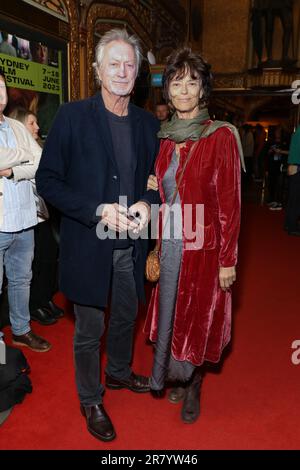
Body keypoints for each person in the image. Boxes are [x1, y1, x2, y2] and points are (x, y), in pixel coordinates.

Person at [36, 29, 160, 442]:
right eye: (114, 64)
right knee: (91, 328)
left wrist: (145, 202)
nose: (122, 72)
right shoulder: (72, 116)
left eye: (129, 65)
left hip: (131, 242)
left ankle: (120, 373)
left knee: (126, 314)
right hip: (89, 242)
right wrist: (97, 209)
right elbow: (47, 181)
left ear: (138, 72)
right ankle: (90, 398)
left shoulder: (146, 123)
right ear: (97, 70)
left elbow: (154, 181)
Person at [144, 48, 243, 424]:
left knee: (197, 317)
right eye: (176, 81)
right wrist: (156, 182)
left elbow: (230, 204)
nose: (183, 90)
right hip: (169, 240)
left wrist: (228, 260)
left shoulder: (220, 136)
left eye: (192, 82)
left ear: (203, 90)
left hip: (204, 247)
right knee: (171, 311)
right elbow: (168, 184)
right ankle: (173, 374)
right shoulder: (166, 137)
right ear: (166, 89)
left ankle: (193, 382)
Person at [0, 70, 50, 352]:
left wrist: (12, 169)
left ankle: (21, 330)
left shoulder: (17, 127)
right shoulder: (22, 137)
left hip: (24, 219)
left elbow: (40, 161)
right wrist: (24, 154)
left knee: (22, 279)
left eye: (2, 85)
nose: (0, 91)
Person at [9, 107, 63, 325]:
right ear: (20, 125)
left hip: (43, 214)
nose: (38, 127)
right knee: (33, 264)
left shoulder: (39, 148)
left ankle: (44, 299)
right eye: (32, 123)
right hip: (25, 217)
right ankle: (34, 306)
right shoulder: (14, 151)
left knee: (49, 259)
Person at [285, 125, 300, 235]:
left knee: (293, 198)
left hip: (294, 165)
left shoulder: (298, 130)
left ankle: (289, 224)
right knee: (296, 199)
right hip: (297, 166)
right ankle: (292, 227)